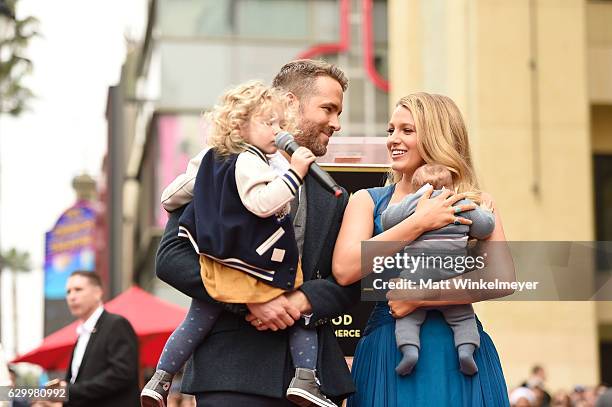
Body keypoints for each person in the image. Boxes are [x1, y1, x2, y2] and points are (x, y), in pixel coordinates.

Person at [155, 59, 360, 406]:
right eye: (328, 109)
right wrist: (251, 297)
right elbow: (171, 259)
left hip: (310, 383)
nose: (336, 123)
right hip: (230, 371)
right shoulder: (219, 167)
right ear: (291, 103)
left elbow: (348, 282)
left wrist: (302, 301)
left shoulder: (334, 194)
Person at [332, 92, 514, 406]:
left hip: (460, 351)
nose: (392, 140)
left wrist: (419, 296)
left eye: (407, 130)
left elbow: (501, 278)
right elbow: (345, 269)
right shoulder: (368, 200)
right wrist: (419, 222)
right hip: (389, 351)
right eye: (391, 130)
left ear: (436, 137)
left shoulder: (476, 202)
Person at [380, 163, 495, 376]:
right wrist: (486, 211)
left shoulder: (415, 202)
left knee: (407, 318)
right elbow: (484, 227)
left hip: (416, 276)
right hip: (452, 277)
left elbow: (387, 221)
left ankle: (409, 351)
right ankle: (466, 351)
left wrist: (405, 205)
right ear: (451, 186)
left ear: (416, 187)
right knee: (463, 317)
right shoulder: (461, 202)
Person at [56, 271, 139, 407]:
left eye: (78, 289)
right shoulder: (82, 334)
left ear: (98, 293)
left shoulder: (116, 324)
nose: (71, 296)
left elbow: (121, 374)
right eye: (68, 292)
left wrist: (70, 391)